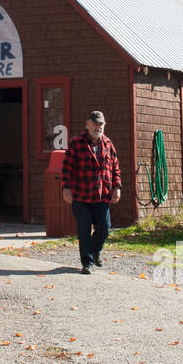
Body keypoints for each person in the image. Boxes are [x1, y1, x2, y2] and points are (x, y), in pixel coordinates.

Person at [60, 110, 122, 274]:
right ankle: (87, 263)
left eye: (101, 124)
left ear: (104, 125)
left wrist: (117, 188)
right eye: (95, 123)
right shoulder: (76, 143)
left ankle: (95, 250)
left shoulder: (108, 144)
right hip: (81, 195)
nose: (98, 126)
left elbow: (115, 169)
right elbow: (67, 169)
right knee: (84, 230)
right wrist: (66, 188)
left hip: (103, 195)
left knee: (105, 228)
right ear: (87, 125)